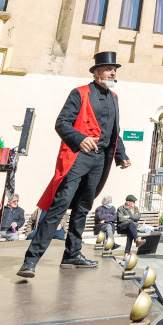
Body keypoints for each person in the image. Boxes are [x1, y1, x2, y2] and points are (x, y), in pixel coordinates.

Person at [18, 51, 131, 278]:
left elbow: (113, 132)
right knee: (59, 206)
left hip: (100, 159)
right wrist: (80, 139)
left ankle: (72, 254)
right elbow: (62, 123)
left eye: (115, 69)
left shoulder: (114, 98)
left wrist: (121, 155)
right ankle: (30, 260)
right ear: (97, 72)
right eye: (109, 69)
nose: (113, 72)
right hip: (79, 156)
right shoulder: (79, 93)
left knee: (82, 208)